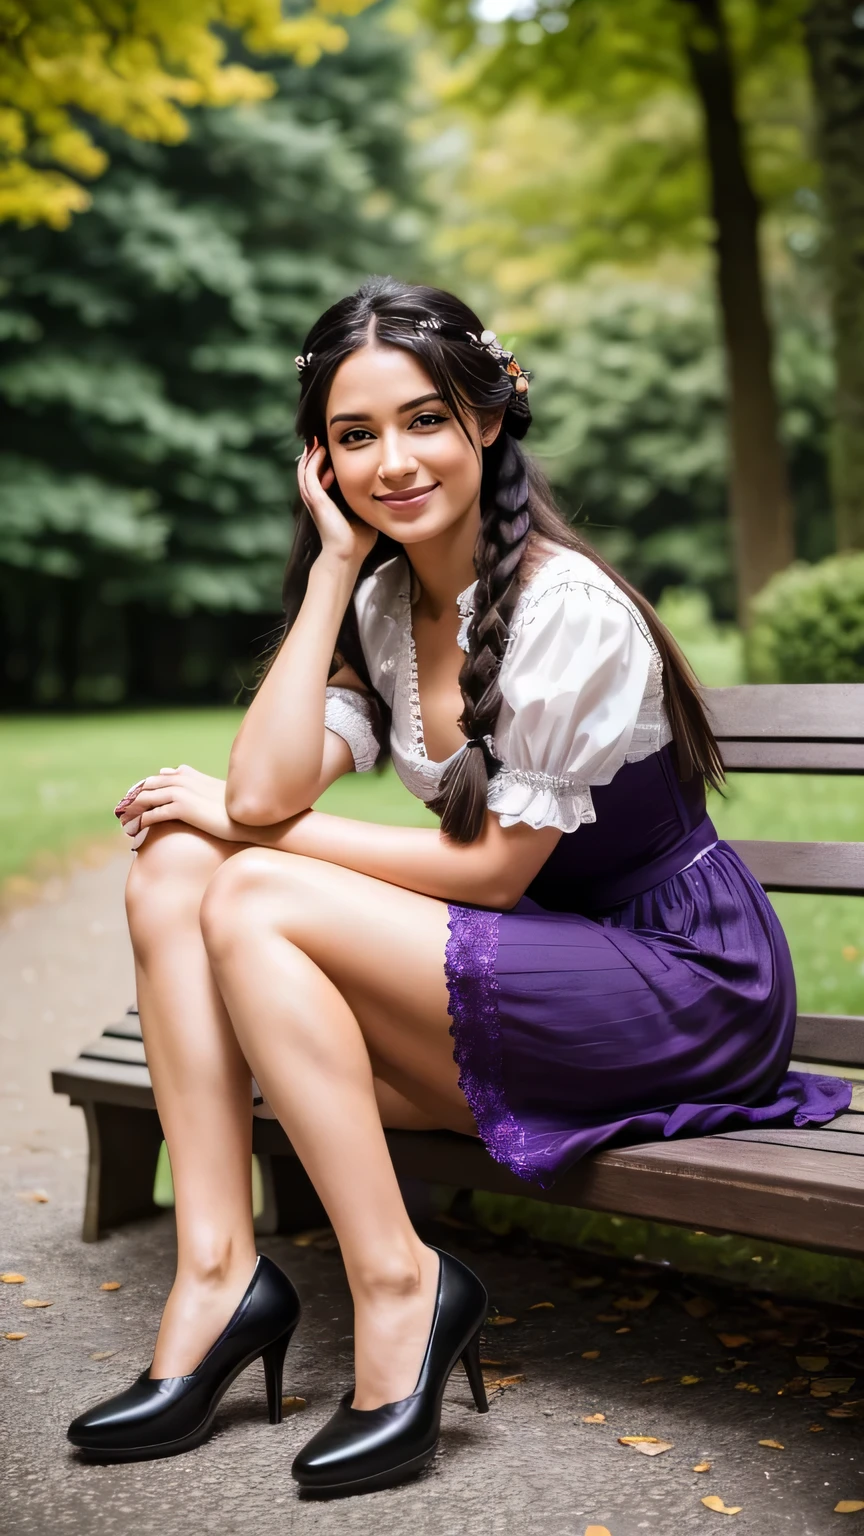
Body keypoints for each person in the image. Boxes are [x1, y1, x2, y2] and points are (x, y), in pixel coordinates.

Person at [66, 276, 851, 1494]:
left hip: (679, 984)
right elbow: (265, 788)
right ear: (319, 461)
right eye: (354, 435)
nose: (394, 461)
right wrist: (331, 573)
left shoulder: (566, 611)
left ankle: (401, 1283)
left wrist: (265, 837)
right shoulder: (383, 600)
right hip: (540, 965)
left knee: (250, 889)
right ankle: (218, 1276)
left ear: (488, 419)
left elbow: (480, 871)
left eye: (425, 419)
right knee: (181, 864)